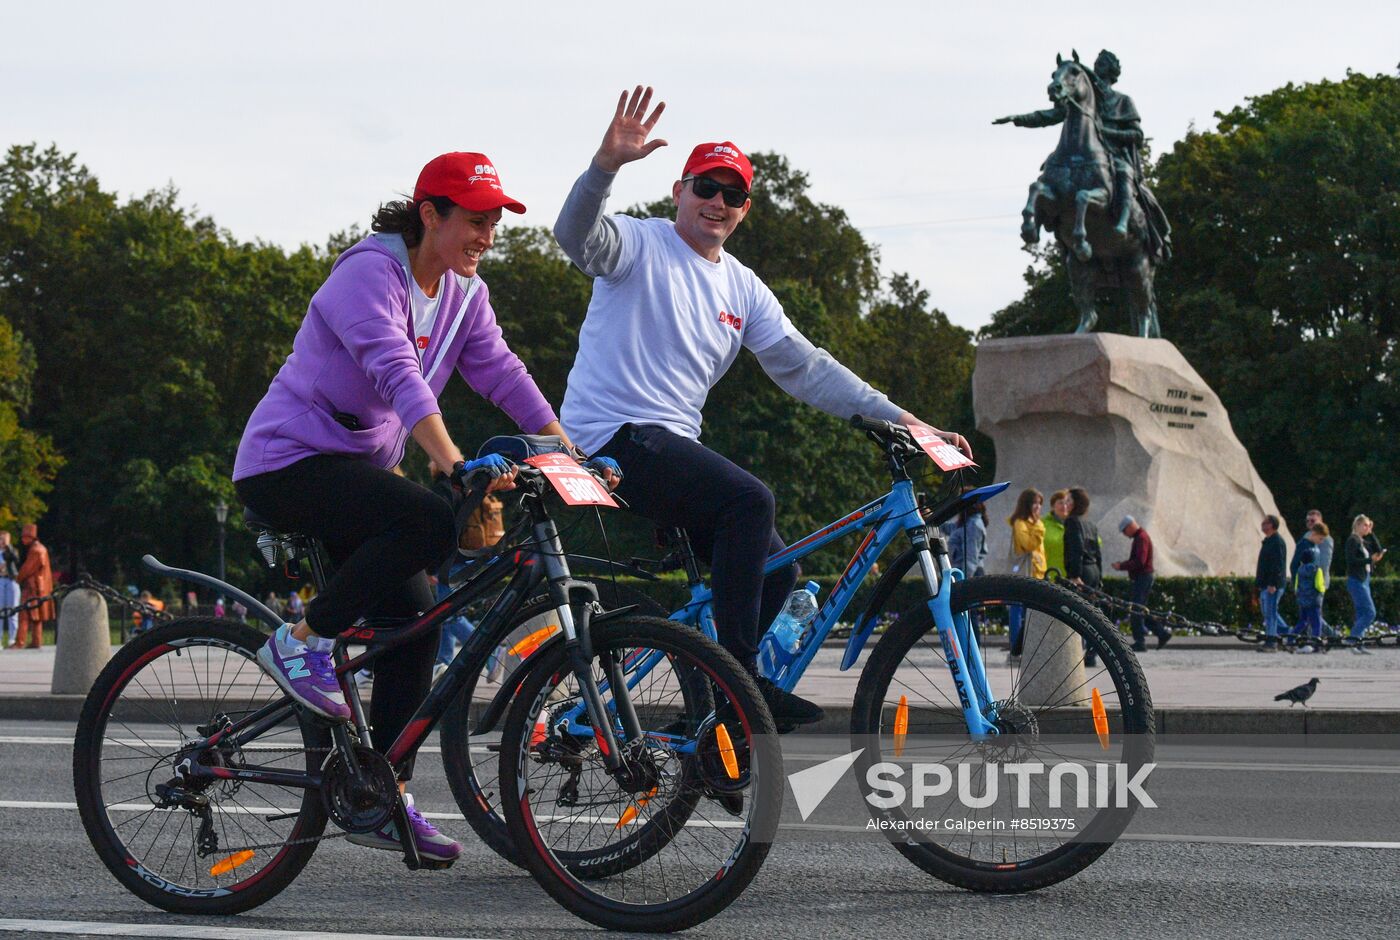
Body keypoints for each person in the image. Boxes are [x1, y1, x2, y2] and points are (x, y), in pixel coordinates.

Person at [553, 86, 971, 729]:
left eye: (733, 194)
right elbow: (573, 234)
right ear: (678, 192)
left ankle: (705, 729)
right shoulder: (639, 244)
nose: (717, 202)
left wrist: (906, 420)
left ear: (745, 209)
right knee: (751, 501)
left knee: (778, 573)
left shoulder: (742, 286)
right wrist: (605, 166)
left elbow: (807, 368)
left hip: (669, 446)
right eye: (706, 187)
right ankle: (738, 690)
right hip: (608, 440)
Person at [233, 151, 579, 865]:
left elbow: (500, 371)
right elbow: (395, 371)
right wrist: (451, 464)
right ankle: (301, 640)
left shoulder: (463, 292)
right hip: (286, 462)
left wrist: (564, 446)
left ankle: (376, 795)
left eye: (494, 223)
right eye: (475, 220)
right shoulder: (369, 273)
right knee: (425, 519)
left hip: (356, 470)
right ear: (430, 213)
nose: (487, 235)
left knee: (418, 625)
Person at [1112, 515, 1170, 651]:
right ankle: (1162, 633)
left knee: (1136, 610)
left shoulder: (1141, 538)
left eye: (1124, 531)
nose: (1125, 535)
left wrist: (1122, 566)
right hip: (1143, 577)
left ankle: (1140, 642)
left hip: (1143, 577)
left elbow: (1140, 562)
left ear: (1130, 526)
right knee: (1141, 610)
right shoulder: (1141, 537)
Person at [1062, 488, 1104, 665]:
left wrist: (1074, 575)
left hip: (1082, 572)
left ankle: (1079, 654)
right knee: (1092, 614)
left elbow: (1076, 549)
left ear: (1076, 502)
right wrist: (1099, 577)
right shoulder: (1090, 524)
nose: (1066, 503)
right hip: (1093, 569)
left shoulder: (1072, 522)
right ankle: (1091, 653)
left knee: (1079, 615)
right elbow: (1099, 553)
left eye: (1069, 500)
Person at [1006, 489, 1046, 657]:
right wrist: (1037, 526)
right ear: (1027, 504)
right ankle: (1016, 648)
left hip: (1035, 573)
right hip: (1023, 574)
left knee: (1031, 612)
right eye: (1035, 503)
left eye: (1040, 504)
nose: (1038, 507)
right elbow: (1028, 544)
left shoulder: (1035, 523)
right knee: (1017, 611)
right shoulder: (1021, 523)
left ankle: (1027, 646)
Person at [1289, 510, 1335, 636]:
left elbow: (1324, 564)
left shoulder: (1326, 540)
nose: (1309, 523)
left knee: (1313, 616)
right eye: (1307, 520)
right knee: (1311, 616)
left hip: (1317, 583)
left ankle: (1321, 639)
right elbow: (1295, 564)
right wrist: (1296, 583)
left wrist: (1320, 584)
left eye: (1312, 520)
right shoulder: (1306, 539)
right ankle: (1326, 638)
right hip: (1307, 583)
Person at [1343, 515, 1383, 653]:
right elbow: (1351, 560)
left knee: (1362, 613)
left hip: (1364, 579)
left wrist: (1371, 532)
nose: (1367, 527)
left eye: (1368, 525)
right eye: (1365, 525)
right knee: (1370, 612)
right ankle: (1353, 639)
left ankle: (1358, 644)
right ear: (1358, 525)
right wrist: (1368, 560)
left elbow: (1378, 549)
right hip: (1356, 580)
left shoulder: (1362, 541)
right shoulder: (1352, 540)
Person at [1255, 515, 1289, 652]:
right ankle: (1286, 633)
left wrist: (1273, 583)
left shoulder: (1277, 541)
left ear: (1272, 525)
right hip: (1266, 584)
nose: (1262, 525)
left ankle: (1271, 642)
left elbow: (1278, 565)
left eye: (1265, 523)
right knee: (1267, 612)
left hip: (1272, 585)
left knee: (1270, 613)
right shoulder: (1268, 541)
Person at [940, 489, 988, 577]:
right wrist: (931, 516)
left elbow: (971, 556)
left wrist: (965, 581)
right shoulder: (966, 523)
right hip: (964, 571)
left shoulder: (972, 525)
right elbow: (950, 528)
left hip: (968, 573)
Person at [1292, 542, 1326, 653]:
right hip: (1314, 601)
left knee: (1302, 622)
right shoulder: (1317, 570)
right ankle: (1316, 644)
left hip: (1302, 601)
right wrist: (1323, 589)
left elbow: (1296, 586)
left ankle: (1290, 638)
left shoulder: (1299, 571)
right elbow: (1319, 586)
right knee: (1316, 623)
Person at [1042, 489, 1070, 581]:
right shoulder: (1042, 524)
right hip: (1049, 574)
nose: (1064, 506)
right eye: (1060, 503)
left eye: (1066, 503)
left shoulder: (1076, 525)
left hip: (1070, 577)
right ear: (1053, 506)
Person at [0, 531, 20, 649]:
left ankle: (12, 639)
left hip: (11, 580)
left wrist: (9, 547)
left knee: (13, 610)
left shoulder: (12, 551)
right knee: (1, 610)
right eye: (0, 539)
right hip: (0, 581)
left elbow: (16, 559)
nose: (2, 542)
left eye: (4, 540)